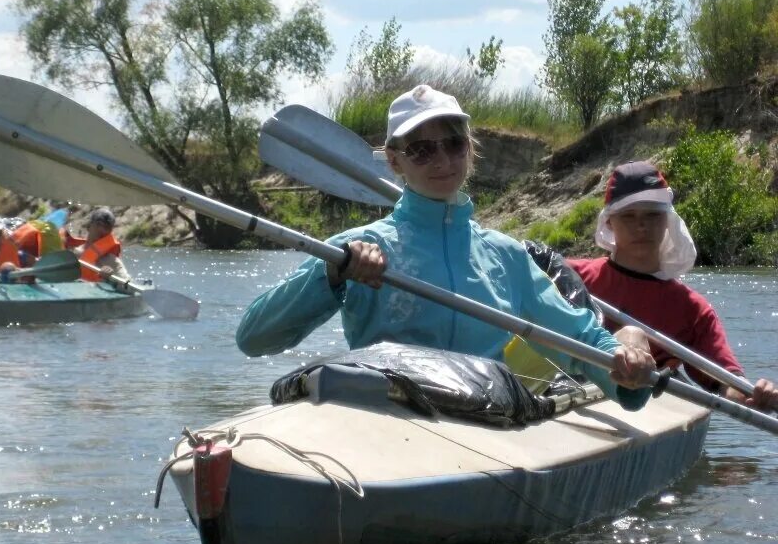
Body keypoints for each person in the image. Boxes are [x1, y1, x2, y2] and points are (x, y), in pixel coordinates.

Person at [236, 85, 657, 410]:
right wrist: (328, 275)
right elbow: (253, 338)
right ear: (396, 162)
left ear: (469, 150)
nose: (442, 160)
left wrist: (623, 366)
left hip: (487, 417)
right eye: (421, 149)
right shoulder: (358, 247)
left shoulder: (506, 255)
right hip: (390, 417)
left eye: (453, 144)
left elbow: (576, 334)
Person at [568, 161, 778, 410]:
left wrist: (754, 396)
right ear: (609, 222)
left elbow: (726, 384)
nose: (641, 226)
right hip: (566, 387)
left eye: (652, 215)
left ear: (667, 220)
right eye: (628, 216)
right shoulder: (570, 275)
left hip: (641, 402)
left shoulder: (693, 310)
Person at [76, 208, 130, 283]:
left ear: (110, 231)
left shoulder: (113, 262)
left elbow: (128, 285)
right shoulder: (74, 254)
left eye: (107, 227)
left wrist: (109, 279)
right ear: (89, 226)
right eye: (99, 224)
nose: (102, 229)